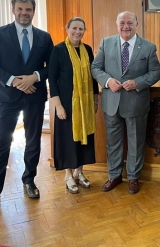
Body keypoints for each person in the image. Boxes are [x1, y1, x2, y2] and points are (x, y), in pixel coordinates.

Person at [0, 0, 53, 210]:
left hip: (35, 96)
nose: (25, 13)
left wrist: (35, 76)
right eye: (20, 9)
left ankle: (29, 180)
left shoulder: (44, 37)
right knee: (1, 144)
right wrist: (14, 81)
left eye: (29, 9)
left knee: (33, 141)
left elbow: (52, 66)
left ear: (34, 11)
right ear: (13, 9)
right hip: (6, 98)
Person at [91, 11, 160, 195]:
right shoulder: (106, 43)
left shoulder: (148, 47)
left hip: (136, 103)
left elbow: (156, 72)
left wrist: (138, 82)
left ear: (136, 24)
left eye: (130, 23)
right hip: (111, 103)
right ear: (117, 24)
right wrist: (107, 81)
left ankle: (133, 177)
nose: (126, 27)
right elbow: (95, 68)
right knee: (112, 142)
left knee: (136, 142)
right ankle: (114, 175)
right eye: (122, 23)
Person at [48, 17, 98, 194]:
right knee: (68, 139)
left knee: (84, 137)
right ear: (67, 28)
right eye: (74, 28)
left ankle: (80, 172)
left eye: (81, 29)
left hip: (85, 104)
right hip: (67, 105)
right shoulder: (58, 50)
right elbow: (52, 80)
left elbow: (92, 77)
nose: (78, 32)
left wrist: (95, 99)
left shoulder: (87, 50)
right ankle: (68, 175)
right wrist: (58, 106)